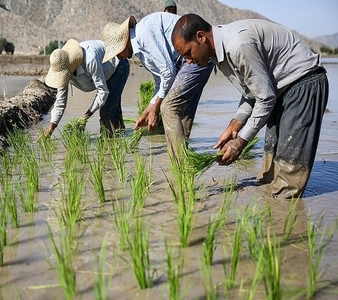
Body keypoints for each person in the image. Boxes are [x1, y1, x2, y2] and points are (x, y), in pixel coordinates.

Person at [171, 14, 329, 198]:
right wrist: (235, 123)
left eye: (188, 53)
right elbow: (252, 91)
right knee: (268, 172)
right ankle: (271, 217)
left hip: (303, 84)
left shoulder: (237, 45)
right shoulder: (218, 54)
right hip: (280, 90)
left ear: (201, 37)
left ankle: (286, 220)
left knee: (288, 175)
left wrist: (240, 141)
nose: (188, 61)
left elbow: (265, 98)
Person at [102, 12, 213, 156]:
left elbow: (168, 72)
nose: (118, 56)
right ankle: (184, 163)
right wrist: (148, 109)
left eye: (117, 52)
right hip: (186, 60)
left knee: (168, 107)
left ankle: (177, 163)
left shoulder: (143, 36)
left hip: (195, 54)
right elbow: (160, 81)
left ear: (124, 42)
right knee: (182, 113)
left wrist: (156, 109)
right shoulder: (140, 48)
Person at [43, 39, 129, 137]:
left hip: (118, 64)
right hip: (104, 72)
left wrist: (85, 117)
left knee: (107, 112)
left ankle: (109, 144)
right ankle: (120, 138)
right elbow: (60, 103)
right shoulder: (63, 67)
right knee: (113, 111)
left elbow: (103, 92)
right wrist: (50, 129)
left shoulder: (90, 59)